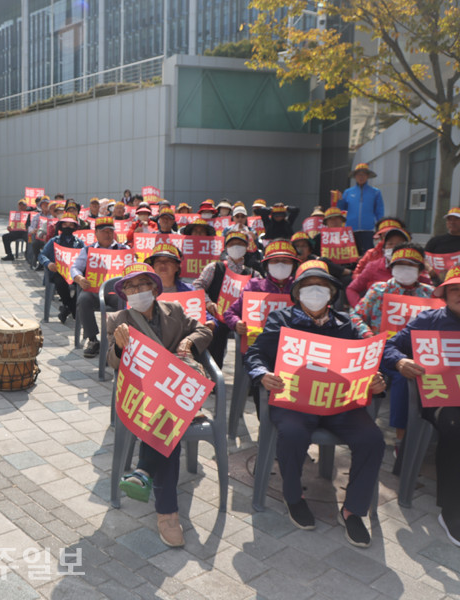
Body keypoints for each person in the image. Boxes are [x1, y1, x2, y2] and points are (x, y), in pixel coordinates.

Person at [244, 260, 386, 546]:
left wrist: (375, 381)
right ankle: (294, 496)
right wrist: (263, 374)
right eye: (308, 287)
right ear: (296, 293)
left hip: (340, 403)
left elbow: (367, 361)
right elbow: (256, 354)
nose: (315, 292)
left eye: (322, 287)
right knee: (293, 434)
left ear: (332, 294)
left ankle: (353, 510)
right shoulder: (280, 319)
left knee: (373, 439)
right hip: (295, 400)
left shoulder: (347, 324)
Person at [107, 262, 212, 548]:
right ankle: (167, 513)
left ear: (155, 288)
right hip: (143, 394)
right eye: (131, 286)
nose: (137, 291)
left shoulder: (174, 311)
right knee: (170, 424)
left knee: (168, 421)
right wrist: (118, 346)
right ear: (124, 292)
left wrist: (188, 343)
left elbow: (204, 329)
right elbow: (111, 363)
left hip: (177, 393)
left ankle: (143, 472)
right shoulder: (118, 319)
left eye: (143, 285)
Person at [382, 265, 460, 546]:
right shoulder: (429, 320)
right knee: (456, 425)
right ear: (445, 293)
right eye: (455, 289)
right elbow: (388, 347)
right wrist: (401, 362)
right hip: (440, 399)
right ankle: (452, 511)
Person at [350, 243, 433, 457]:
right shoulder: (379, 290)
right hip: (379, 351)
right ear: (391, 266)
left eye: (410, 265)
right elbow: (355, 316)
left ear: (420, 269)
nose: (405, 269)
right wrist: (369, 336)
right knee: (401, 376)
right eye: (400, 264)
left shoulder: (430, 294)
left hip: (417, 354)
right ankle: (401, 437)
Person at [194, 232, 261, 367]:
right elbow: (197, 286)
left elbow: (260, 296)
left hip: (242, 323)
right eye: (232, 244)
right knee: (214, 356)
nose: (236, 247)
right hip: (217, 318)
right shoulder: (214, 267)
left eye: (240, 244)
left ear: (247, 248)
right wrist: (207, 302)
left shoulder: (253, 274)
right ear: (226, 248)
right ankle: (214, 385)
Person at [71, 216, 130, 358]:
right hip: (95, 292)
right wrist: (79, 278)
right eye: (104, 231)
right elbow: (75, 268)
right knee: (83, 299)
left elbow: (133, 268)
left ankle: (119, 342)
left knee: (126, 303)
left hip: (116, 293)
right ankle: (92, 340)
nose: (108, 234)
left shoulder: (123, 249)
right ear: (96, 233)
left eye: (111, 231)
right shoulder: (88, 250)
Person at [346, 224, 431, 307]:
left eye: (399, 244)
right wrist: (359, 307)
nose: (394, 247)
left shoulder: (421, 278)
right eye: (390, 244)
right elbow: (352, 289)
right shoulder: (377, 286)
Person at [39, 213, 86, 323]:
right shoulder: (54, 241)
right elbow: (42, 255)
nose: (68, 227)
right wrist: (49, 263)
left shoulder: (79, 243)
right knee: (59, 281)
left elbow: (87, 257)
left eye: (71, 225)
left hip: (75, 274)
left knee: (83, 284)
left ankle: (66, 308)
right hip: (59, 273)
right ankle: (73, 309)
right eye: (65, 224)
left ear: (75, 227)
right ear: (61, 226)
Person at [338, 163, 385, 255]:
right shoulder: (348, 192)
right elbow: (342, 208)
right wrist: (340, 200)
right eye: (359, 175)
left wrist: (381, 228)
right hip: (351, 229)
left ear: (367, 176)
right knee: (352, 254)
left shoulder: (375, 192)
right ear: (355, 176)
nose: (361, 177)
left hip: (368, 229)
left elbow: (379, 211)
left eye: (363, 174)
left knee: (368, 254)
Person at [424, 207, 460, 283]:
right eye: (449, 219)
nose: (452, 222)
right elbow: (423, 258)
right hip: (436, 283)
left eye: (456, 219)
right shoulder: (435, 241)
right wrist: (430, 269)